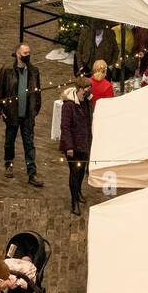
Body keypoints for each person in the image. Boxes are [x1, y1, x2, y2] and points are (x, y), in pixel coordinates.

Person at [0, 43, 44, 187]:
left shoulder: (34, 71)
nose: (27, 56)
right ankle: (8, 163)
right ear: (17, 54)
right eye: (24, 53)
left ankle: (32, 173)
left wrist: (36, 109)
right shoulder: (7, 70)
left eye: (29, 53)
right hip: (12, 113)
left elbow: (37, 91)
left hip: (28, 115)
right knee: (9, 141)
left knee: (29, 144)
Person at [59, 77, 94, 217]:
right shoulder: (69, 105)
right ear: (79, 89)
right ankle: (74, 201)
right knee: (74, 173)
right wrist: (69, 147)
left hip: (84, 143)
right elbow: (65, 127)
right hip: (73, 146)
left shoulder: (86, 102)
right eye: (86, 89)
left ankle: (78, 191)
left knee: (80, 173)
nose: (88, 92)